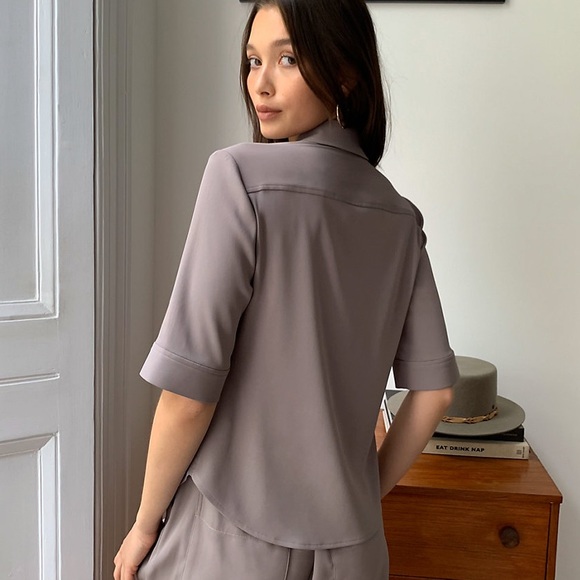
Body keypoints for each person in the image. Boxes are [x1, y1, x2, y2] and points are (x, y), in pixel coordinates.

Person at [113, 0, 458, 578]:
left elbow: (188, 395)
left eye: (288, 59)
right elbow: (436, 394)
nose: (261, 84)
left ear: (344, 73)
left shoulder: (238, 176)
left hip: (230, 540)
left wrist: (145, 524)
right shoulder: (401, 219)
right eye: (253, 61)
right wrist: (360, 497)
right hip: (355, 552)